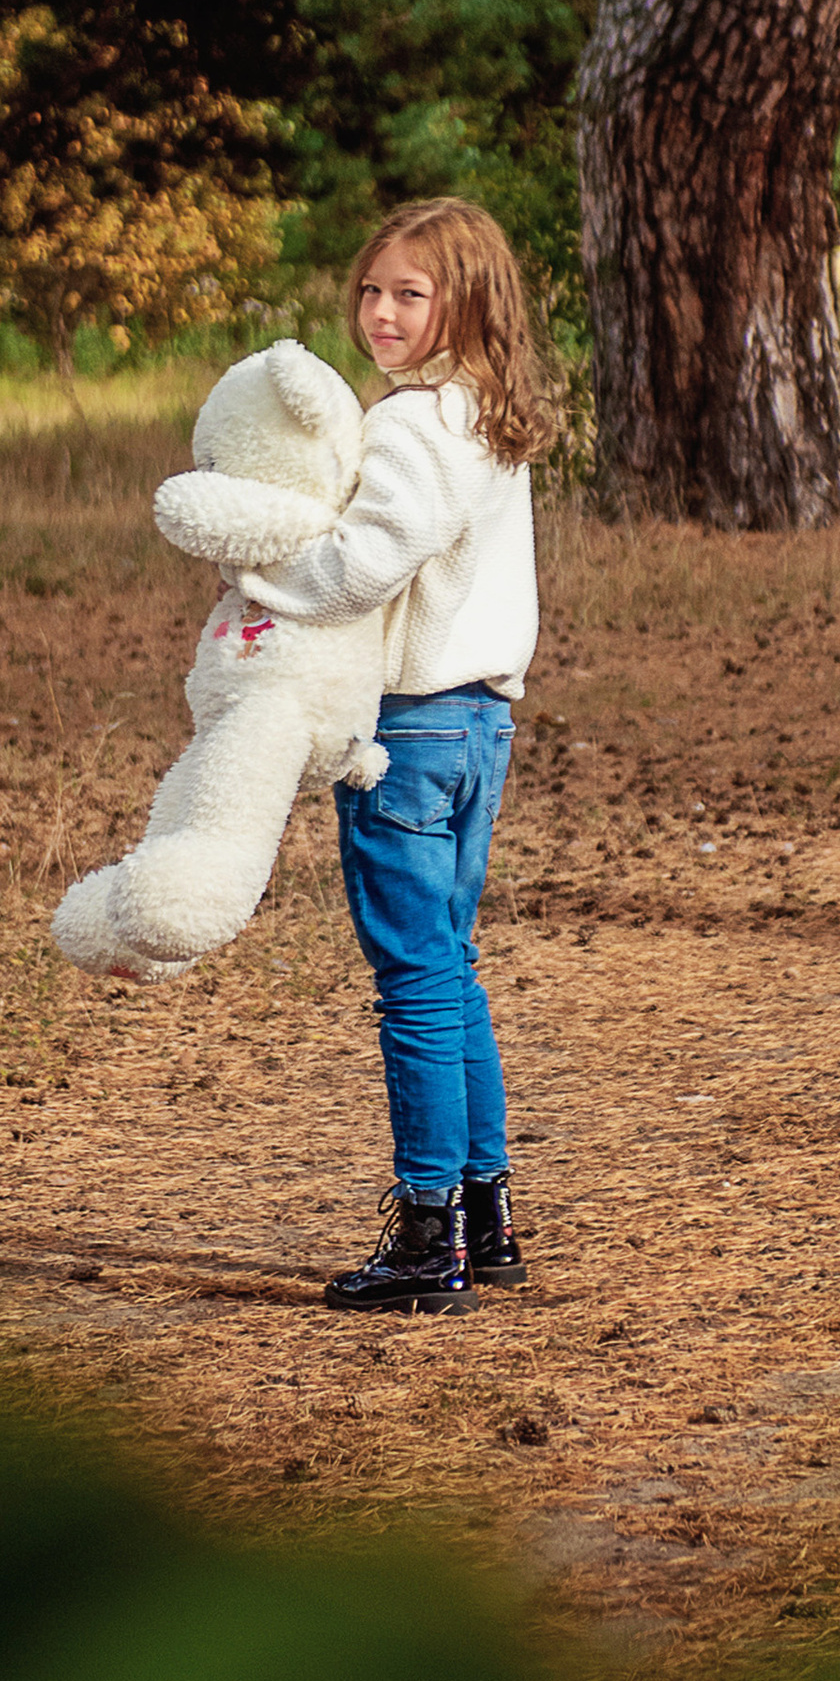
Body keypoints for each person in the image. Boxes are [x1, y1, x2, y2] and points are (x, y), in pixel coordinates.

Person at [231, 198, 561, 1312]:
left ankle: (428, 1245)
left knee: (414, 983)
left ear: (463, 303)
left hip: (408, 733)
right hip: (478, 726)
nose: (379, 312)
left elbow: (373, 559)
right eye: (371, 291)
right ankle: (484, 1215)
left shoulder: (417, 424)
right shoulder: (483, 413)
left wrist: (261, 583)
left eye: (408, 295)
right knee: (449, 968)